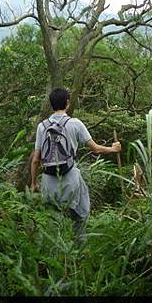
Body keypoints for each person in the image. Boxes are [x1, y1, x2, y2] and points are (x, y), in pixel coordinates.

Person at [30, 87, 121, 243]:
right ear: (67, 102)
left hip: (48, 179)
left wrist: (33, 183)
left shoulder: (41, 127)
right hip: (70, 177)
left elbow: (36, 159)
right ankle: (79, 253)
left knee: (52, 222)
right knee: (81, 215)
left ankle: (53, 259)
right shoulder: (75, 123)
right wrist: (113, 149)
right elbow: (96, 149)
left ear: (51, 104)